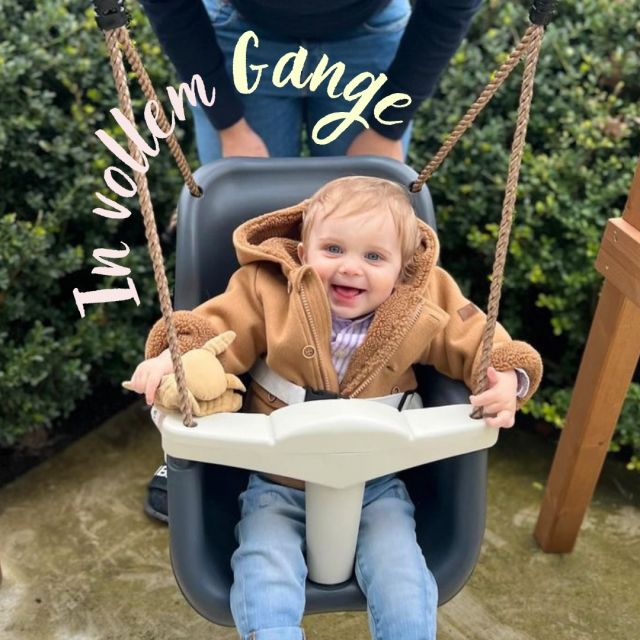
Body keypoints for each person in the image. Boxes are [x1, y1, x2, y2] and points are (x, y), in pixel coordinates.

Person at [127, 176, 542, 640]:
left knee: (403, 578)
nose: (350, 268)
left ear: (403, 267)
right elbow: (217, 329)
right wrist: (175, 358)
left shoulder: (421, 299)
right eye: (333, 249)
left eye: (374, 257)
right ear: (304, 250)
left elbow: (475, 335)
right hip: (279, 479)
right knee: (264, 571)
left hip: (377, 482)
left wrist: (506, 375)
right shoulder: (268, 287)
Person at [139, 0, 483, 163]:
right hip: (241, 29)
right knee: (244, 220)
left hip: (368, 31)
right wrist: (229, 124)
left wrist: (386, 127)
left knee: (361, 224)